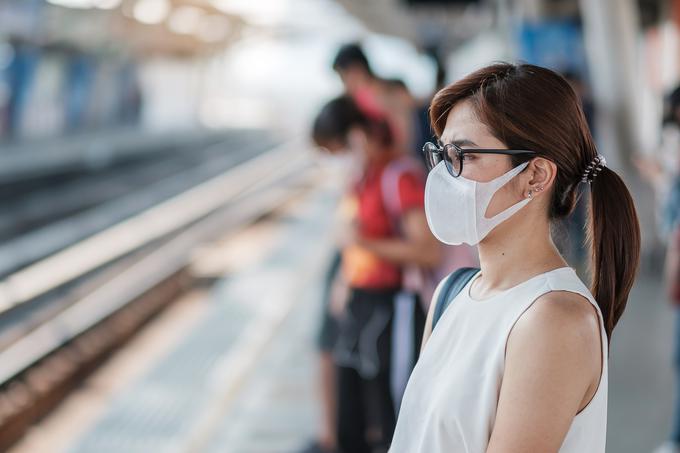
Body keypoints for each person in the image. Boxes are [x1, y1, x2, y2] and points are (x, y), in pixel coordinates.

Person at [390, 62, 640, 452]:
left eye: (465, 155)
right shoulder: (452, 293)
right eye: (441, 154)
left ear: (536, 176)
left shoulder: (554, 321)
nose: (443, 174)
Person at [312, 95, 440, 453]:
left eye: (334, 149)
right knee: (351, 419)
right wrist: (343, 281)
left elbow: (427, 250)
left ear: (358, 137)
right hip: (360, 308)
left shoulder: (400, 177)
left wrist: (365, 243)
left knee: (390, 419)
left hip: (393, 309)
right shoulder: (362, 179)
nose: (333, 160)